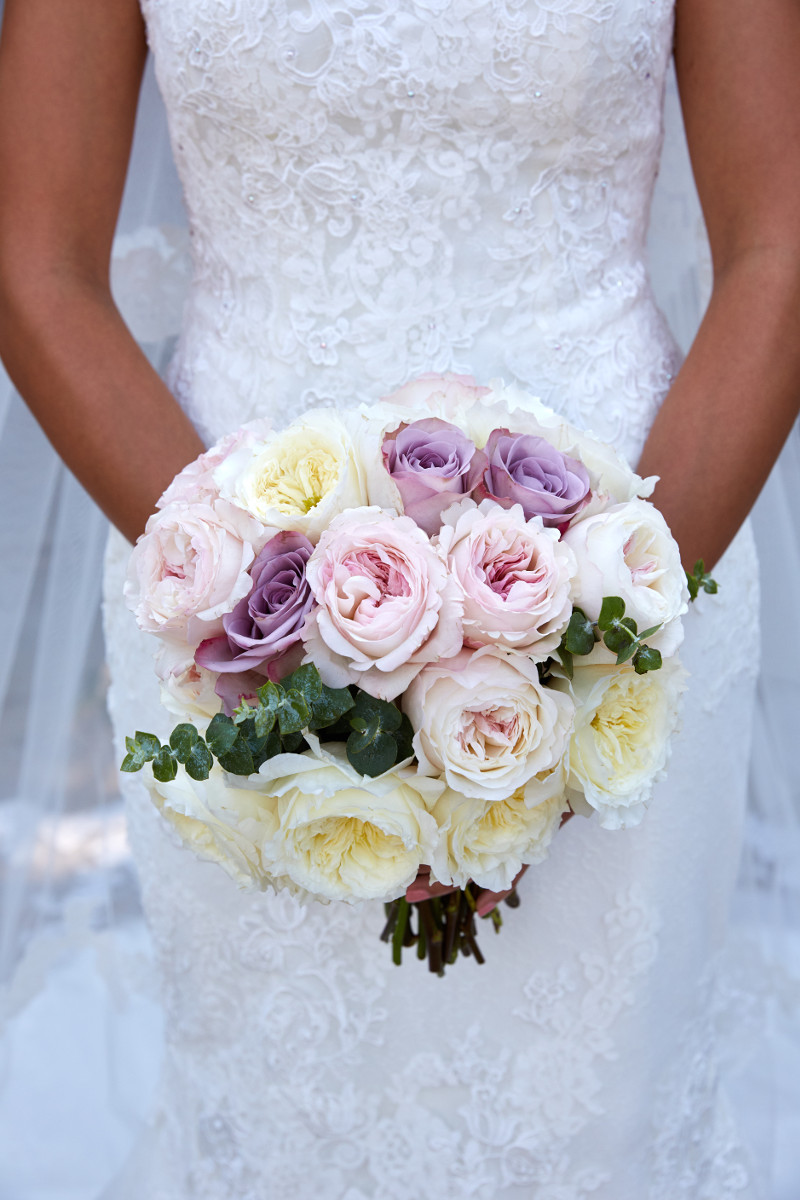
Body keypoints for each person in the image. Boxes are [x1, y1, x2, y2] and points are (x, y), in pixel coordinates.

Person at [0, 1, 799, 1196]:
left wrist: (598, 644)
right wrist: (244, 615)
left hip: (640, 569)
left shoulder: (620, 627)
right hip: (223, 617)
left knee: (600, 1124)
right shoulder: (230, 617)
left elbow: (776, 240)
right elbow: (36, 262)